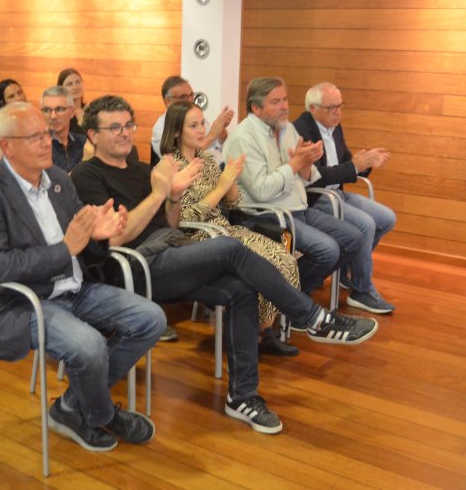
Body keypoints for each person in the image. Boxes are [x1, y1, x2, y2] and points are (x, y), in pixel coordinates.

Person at [72, 95, 378, 435]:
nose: (124, 133)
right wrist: (160, 192)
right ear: (92, 136)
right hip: (134, 268)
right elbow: (116, 238)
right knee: (231, 247)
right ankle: (314, 318)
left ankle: (242, 395)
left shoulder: (146, 171)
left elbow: (171, 226)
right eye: (113, 127)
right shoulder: (85, 176)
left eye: (128, 125)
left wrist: (173, 196)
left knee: (242, 289)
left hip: (171, 251)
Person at [0, 101, 164, 451]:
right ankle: (101, 415)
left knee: (151, 318)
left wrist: (97, 233)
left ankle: (74, 405)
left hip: (75, 288)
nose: (47, 141)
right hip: (24, 301)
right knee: (89, 345)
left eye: (46, 133)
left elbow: (80, 239)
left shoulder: (57, 178)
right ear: (7, 147)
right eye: (35, 136)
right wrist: (65, 249)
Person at [160, 100, 300, 356]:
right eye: (193, 125)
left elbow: (234, 203)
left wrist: (232, 177)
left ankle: (261, 328)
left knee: (285, 259)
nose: (202, 130)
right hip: (199, 239)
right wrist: (222, 186)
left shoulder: (206, 159)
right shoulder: (170, 166)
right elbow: (184, 218)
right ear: (177, 131)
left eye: (202, 123)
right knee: (267, 262)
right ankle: (257, 333)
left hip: (223, 229)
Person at [223, 77, 367, 305]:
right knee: (327, 249)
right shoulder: (244, 137)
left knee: (353, 238)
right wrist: (295, 164)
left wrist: (309, 163)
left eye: (285, 99)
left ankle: (288, 298)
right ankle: (292, 302)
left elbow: (310, 178)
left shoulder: (288, 128)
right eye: (275, 102)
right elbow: (261, 191)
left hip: (297, 207)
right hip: (265, 214)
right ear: (256, 108)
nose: (284, 106)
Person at [293, 82, 396, 313]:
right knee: (366, 225)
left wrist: (367, 163)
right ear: (313, 108)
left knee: (387, 218)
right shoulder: (301, 131)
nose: (337, 112)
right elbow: (313, 177)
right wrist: (354, 165)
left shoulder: (334, 127)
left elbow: (347, 163)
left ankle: (346, 272)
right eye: (331, 107)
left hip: (337, 193)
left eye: (340, 106)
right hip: (316, 197)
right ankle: (361, 290)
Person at [150, 75, 233, 166]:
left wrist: (221, 134)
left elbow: (215, 149)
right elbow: (178, 161)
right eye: (183, 97)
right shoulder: (160, 127)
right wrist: (212, 135)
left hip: (210, 169)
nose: (190, 100)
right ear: (168, 102)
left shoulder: (196, 116)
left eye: (191, 95)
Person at [41, 85, 86, 172]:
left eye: (60, 109)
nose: (53, 116)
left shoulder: (83, 142)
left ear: (72, 112)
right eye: (47, 110)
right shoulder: (38, 146)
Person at [57, 68, 86, 134]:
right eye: (70, 84)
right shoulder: (59, 114)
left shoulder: (91, 110)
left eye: (78, 82)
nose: (75, 87)